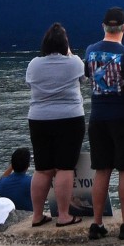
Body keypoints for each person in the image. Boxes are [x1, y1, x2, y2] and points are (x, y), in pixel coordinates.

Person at [84, 7, 124, 240]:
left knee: (102, 170)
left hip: (97, 118)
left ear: (103, 27)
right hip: (123, 118)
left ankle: (97, 224)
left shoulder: (90, 51)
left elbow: (90, 79)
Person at [25, 23, 84, 227]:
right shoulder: (74, 62)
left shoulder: (33, 64)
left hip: (39, 119)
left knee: (42, 169)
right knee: (64, 168)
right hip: (69, 118)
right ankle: (64, 215)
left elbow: (31, 83)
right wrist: (68, 52)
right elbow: (83, 78)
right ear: (65, 44)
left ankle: (37, 215)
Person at [0, 147, 34, 213]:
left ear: (12, 165)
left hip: (9, 216)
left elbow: (0, 182)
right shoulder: (31, 182)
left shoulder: (2, 183)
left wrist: (12, 166)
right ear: (28, 165)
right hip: (28, 216)